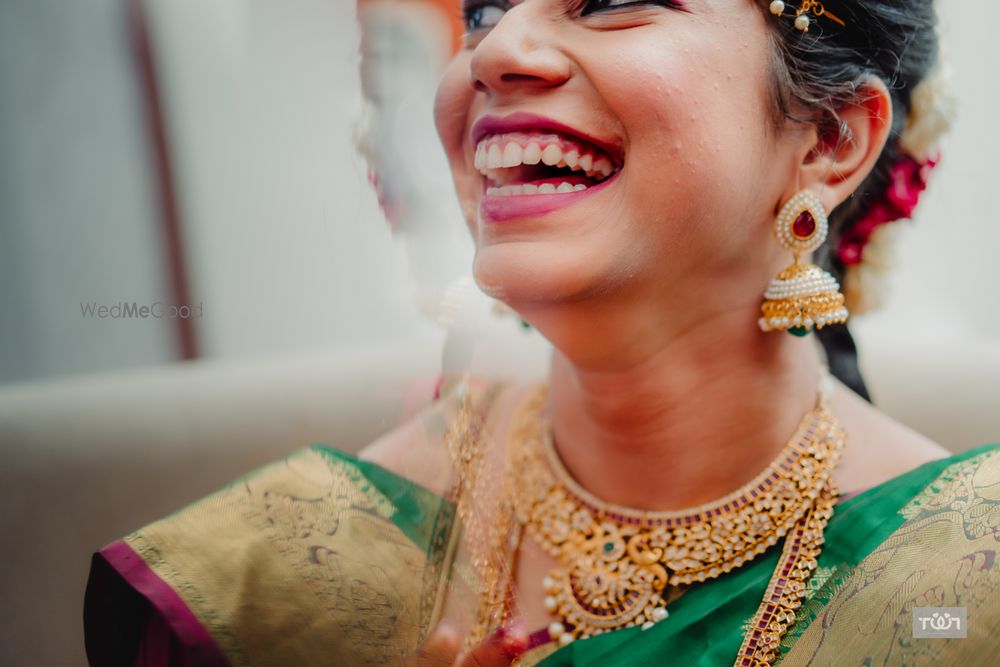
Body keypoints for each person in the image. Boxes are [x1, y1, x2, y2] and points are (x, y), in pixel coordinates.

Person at [85, 1, 1000, 665]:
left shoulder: (964, 589)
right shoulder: (277, 577)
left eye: (609, 2)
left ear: (831, 137)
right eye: (483, 10)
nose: (496, 51)